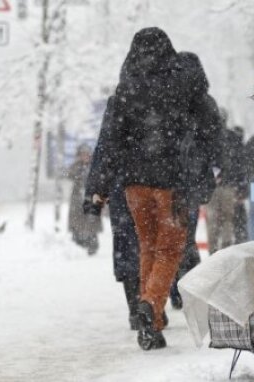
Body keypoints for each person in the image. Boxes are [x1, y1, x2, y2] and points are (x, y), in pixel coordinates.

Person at [93, 28, 212, 350]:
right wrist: (212, 167)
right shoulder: (183, 86)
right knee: (171, 249)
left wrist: (97, 188)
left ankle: (152, 323)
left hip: (135, 185)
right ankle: (149, 304)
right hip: (172, 184)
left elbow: (109, 142)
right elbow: (207, 127)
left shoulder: (126, 90)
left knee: (147, 247)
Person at [169, 51, 223, 309]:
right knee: (187, 234)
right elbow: (217, 140)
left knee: (170, 235)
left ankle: (172, 286)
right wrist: (218, 166)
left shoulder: (167, 100)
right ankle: (189, 285)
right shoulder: (205, 102)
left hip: (168, 177)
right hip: (194, 178)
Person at [85, 96, 141, 330]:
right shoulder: (164, 97)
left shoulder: (119, 102)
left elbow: (104, 149)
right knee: (154, 247)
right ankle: (152, 303)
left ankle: (136, 308)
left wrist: (96, 191)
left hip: (122, 188)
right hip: (156, 185)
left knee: (126, 247)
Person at [206, 112, 247, 254]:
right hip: (229, 185)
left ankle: (212, 250)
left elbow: (202, 161)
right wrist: (241, 186)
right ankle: (226, 249)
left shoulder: (207, 137)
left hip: (211, 186)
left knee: (212, 220)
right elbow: (240, 163)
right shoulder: (233, 137)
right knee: (228, 219)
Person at [68, 144, 102, 255]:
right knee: (77, 223)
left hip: (91, 198)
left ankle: (92, 245)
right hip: (77, 199)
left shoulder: (94, 166)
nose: (85, 156)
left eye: (87, 154)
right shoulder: (76, 166)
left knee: (91, 222)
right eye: (82, 154)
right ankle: (79, 243)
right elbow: (69, 174)